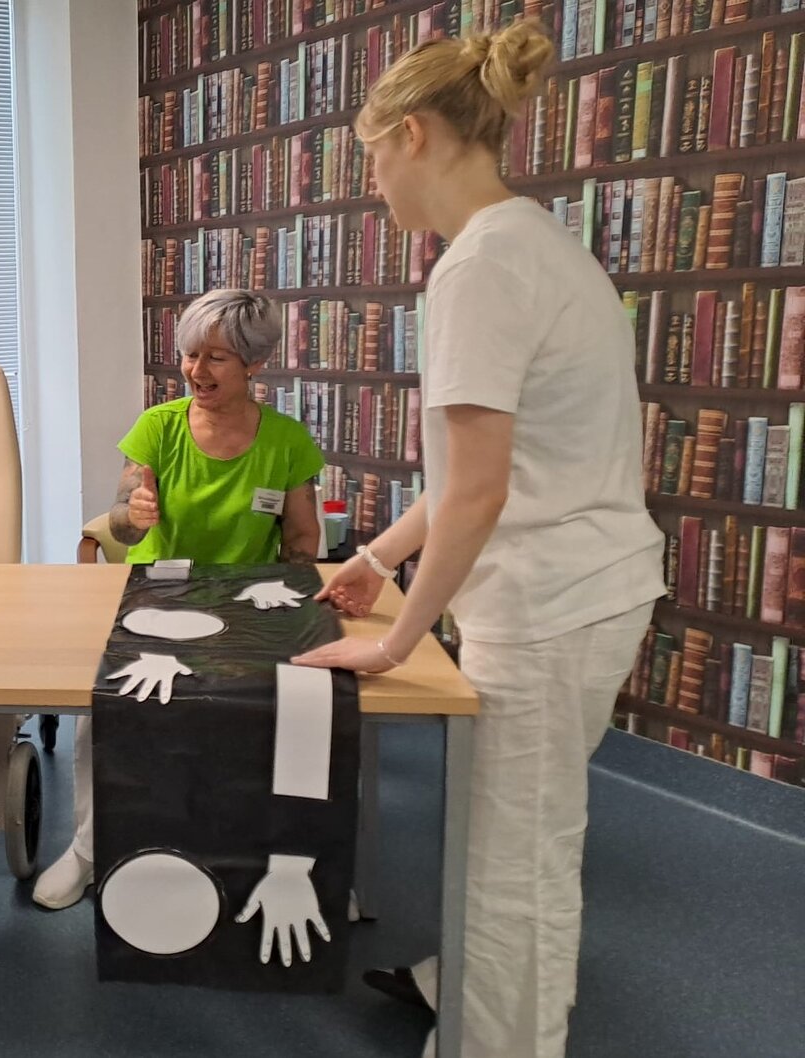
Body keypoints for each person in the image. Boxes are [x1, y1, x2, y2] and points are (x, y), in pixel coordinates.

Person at [291, 22, 663, 1058]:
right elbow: (469, 477)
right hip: (587, 586)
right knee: (528, 831)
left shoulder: (477, 271)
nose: (373, 184)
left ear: (413, 135)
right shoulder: (533, 242)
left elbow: (479, 493)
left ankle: (497, 1041)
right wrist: (374, 560)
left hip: (548, 604)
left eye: (372, 156)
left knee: (514, 860)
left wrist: (396, 639)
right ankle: (461, 984)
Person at [33, 287, 325, 910]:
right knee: (101, 706)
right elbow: (121, 521)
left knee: (294, 705)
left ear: (255, 363)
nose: (196, 370)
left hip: (247, 606)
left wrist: (293, 597)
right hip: (157, 599)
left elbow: (303, 540)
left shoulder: (286, 441)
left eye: (216, 357)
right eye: (191, 354)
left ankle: (287, 858)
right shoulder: (159, 427)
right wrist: (133, 513)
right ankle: (87, 849)